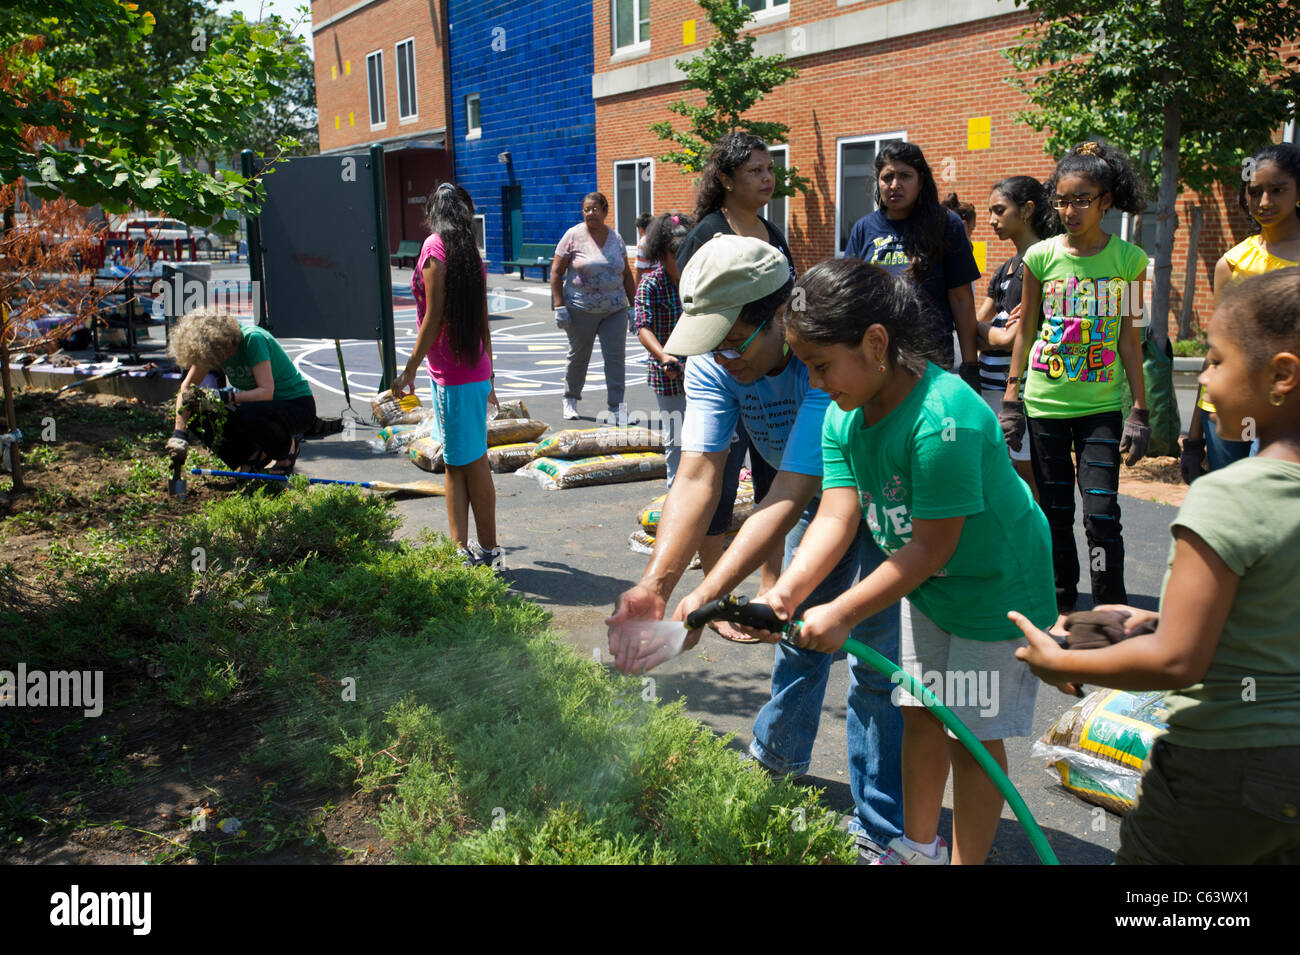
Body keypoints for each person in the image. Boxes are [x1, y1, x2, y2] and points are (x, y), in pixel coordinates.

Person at [607, 234, 906, 864]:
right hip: (818, 502)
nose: (721, 357)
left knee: (874, 664)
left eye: (732, 339)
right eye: (709, 340)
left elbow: (792, 491)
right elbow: (696, 476)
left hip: (882, 500)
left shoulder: (825, 359)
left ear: (781, 318)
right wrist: (655, 586)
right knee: (798, 635)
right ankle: (775, 764)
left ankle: (881, 828)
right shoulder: (717, 361)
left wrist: (705, 599)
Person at [764, 257, 1055, 865]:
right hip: (927, 586)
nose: (815, 383)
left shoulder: (942, 420)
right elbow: (837, 517)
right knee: (921, 711)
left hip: (991, 588)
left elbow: (933, 546)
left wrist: (841, 613)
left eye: (822, 365)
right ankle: (915, 847)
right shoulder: (845, 415)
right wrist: (789, 591)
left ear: (875, 343)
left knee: (970, 733)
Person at [1011, 267, 1300, 864]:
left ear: (1282, 375)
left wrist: (1059, 660)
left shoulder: (1232, 493)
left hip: (1220, 768)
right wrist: (1151, 622)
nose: (1207, 383)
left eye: (1216, 362)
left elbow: (1177, 660)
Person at [999, 142, 1150, 629]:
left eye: (1082, 199)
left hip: (1101, 407)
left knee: (1101, 514)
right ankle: (1064, 605)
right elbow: (1026, 330)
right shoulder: (1040, 257)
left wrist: (1140, 411)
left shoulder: (1132, 261)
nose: (1070, 210)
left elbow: (1132, 339)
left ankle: (1110, 608)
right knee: (1057, 514)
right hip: (1045, 402)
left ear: (1106, 201)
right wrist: (1011, 399)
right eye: (1062, 201)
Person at [674, 131, 797, 576]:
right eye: (755, 171)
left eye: (770, 169)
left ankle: (770, 583)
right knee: (718, 483)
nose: (768, 178)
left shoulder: (772, 232)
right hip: (726, 376)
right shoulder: (707, 234)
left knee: (774, 481)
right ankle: (715, 585)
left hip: (772, 377)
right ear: (725, 179)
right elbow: (695, 313)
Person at [391, 182, 502, 571]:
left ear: (433, 213)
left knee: (468, 463)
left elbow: (434, 314)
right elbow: (481, 317)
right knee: (462, 461)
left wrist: (408, 369)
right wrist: (491, 376)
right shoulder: (468, 251)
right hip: (468, 370)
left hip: (453, 372)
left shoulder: (435, 248)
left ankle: (483, 551)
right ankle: (469, 547)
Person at [1183, 143, 1300, 481]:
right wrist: (1193, 437)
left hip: (1286, 411)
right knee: (1233, 509)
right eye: (1255, 192)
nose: (1264, 202)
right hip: (1228, 412)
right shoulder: (1232, 263)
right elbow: (1216, 352)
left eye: (1277, 190)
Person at [844, 141, 981, 383]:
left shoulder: (946, 225)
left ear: (921, 181)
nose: (895, 185)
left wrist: (970, 367)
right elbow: (852, 298)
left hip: (931, 361)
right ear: (878, 182)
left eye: (905, 176)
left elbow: (961, 300)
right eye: (888, 177)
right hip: (877, 360)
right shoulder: (864, 229)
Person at [976, 175, 1060, 494]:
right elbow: (972, 327)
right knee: (1000, 475)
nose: (991, 220)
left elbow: (1016, 337)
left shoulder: (1043, 263)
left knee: (1029, 478)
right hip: (989, 388)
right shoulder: (1005, 268)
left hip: (1021, 392)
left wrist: (992, 334)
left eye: (999, 210)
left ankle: (1038, 543)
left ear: (1026, 210)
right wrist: (994, 333)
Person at [166, 307, 316, 475]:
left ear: (223, 344)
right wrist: (179, 433)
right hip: (261, 407)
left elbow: (266, 393)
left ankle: (287, 451)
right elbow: (187, 390)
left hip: (297, 406)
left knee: (248, 410)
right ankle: (253, 457)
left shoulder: (253, 339)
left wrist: (226, 396)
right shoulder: (210, 348)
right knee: (199, 411)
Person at [550, 192, 636, 424]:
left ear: (605, 211)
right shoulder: (573, 236)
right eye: (586, 209)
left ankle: (617, 408)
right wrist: (559, 306)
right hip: (580, 309)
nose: (590, 213)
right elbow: (556, 272)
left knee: (616, 358)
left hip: (615, 309)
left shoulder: (616, 238)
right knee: (579, 356)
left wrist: (633, 306)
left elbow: (626, 274)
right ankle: (570, 398)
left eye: (595, 209)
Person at [632, 212, 695, 484]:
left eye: (687, 252)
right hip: (668, 373)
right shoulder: (651, 285)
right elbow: (642, 327)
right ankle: (675, 495)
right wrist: (663, 355)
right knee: (678, 440)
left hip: (703, 369)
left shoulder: (698, 281)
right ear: (660, 253)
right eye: (675, 253)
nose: (682, 259)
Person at [633, 211, 655, 285]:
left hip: (647, 283)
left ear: (640, 229)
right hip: (661, 282)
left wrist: (636, 291)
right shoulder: (659, 239)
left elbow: (639, 270)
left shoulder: (643, 242)